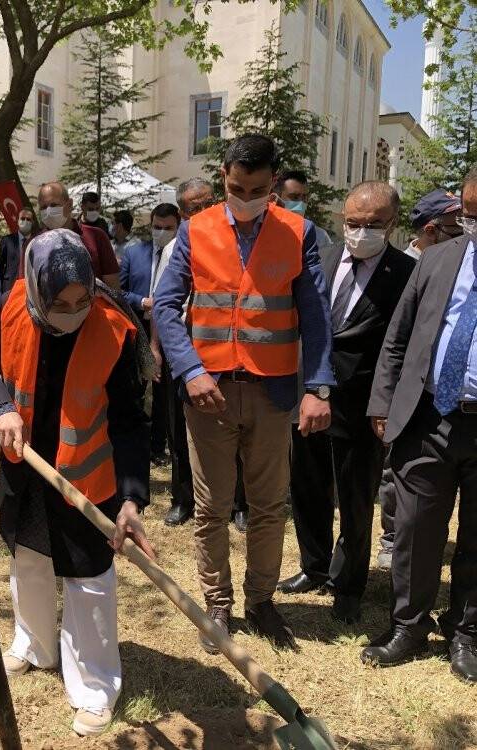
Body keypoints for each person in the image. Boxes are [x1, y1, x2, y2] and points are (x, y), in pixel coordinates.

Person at [0, 228, 153, 736]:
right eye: (60, 302)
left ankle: (95, 686)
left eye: (82, 298)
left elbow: (131, 422)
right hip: (24, 465)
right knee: (28, 557)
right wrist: (3, 408)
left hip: (85, 477)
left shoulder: (114, 329)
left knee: (89, 578)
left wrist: (133, 498)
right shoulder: (12, 308)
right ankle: (34, 644)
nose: (73, 311)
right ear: (35, 290)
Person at [153, 134, 335, 652]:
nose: (245, 196)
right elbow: (167, 306)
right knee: (211, 507)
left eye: (256, 189)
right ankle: (217, 603)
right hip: (207, 392)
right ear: (223, 178)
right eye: (235, 187)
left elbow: (316, 319)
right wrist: (190, 370)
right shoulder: (195, 230)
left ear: (273, 183)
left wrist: (318, 386)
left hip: (273, 393)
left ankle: (260, 600)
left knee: (268, 504)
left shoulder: (299, 232)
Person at [276, 182, 415, 624]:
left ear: (392, 224)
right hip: (309, 393)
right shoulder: (323, 256)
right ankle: (314, 566)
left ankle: (349, 582)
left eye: (373, 225)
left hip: (363, 404)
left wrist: (388, 404)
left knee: (356, 497)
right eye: (353, 223)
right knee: (308, 485)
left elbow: (405, 345)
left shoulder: (407, 274)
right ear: (342, 218)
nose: (361, 232)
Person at [362, 166, 477, 683]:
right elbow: (398, 337)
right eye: (471, 215)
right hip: (429, 415)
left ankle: (466, 631)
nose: (473, 225)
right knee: (412, 529)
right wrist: (383, 402)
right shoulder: (436, 260)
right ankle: (408, 625)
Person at [149, 179, 214, 526]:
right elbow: (162, 303)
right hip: (181, 348)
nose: (201, 213)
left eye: (206, 204)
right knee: (178, 429)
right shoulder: (175, 248)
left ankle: (238, 504)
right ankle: (182, 498)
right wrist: (156, 349)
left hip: (220, 349)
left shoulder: (232, 240)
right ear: (183, 212)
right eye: (192, 208)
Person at [121, 203, 180, 465]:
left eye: (168, 228)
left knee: (163, 392)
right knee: (134, 388)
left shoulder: (181, 254)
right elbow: (119, 292)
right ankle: (134, 441)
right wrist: (142, 301)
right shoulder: (135, 253)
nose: (162, 232)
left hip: (168, 330)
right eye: (157, 227)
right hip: (138, 327)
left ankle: (158, 447)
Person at [37, 182, 120, 289]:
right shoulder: (34, 245)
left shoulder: (98, 237)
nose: (48, 211)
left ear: (70, 204)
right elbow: (26, 289)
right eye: (43, 207)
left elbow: (113, 288)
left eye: (54, 205)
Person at [274, 169, 334, 254]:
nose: (301, 202)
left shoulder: (319, 236)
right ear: (277, 198)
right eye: (294, 197)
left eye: (305, 197)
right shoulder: (263, 231)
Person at [405, 188, 463, 260]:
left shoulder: (457, 259)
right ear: (430, 231)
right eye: (458, 225)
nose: (465, 230)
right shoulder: (404, 268)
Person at [0, 207, 36, 297]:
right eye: (22, 218)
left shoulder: (36, 241)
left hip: (29, 289)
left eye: (28, 219)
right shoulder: (7, 240)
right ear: (18, 220)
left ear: (33, 222)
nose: (25, 221)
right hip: (9, 287)